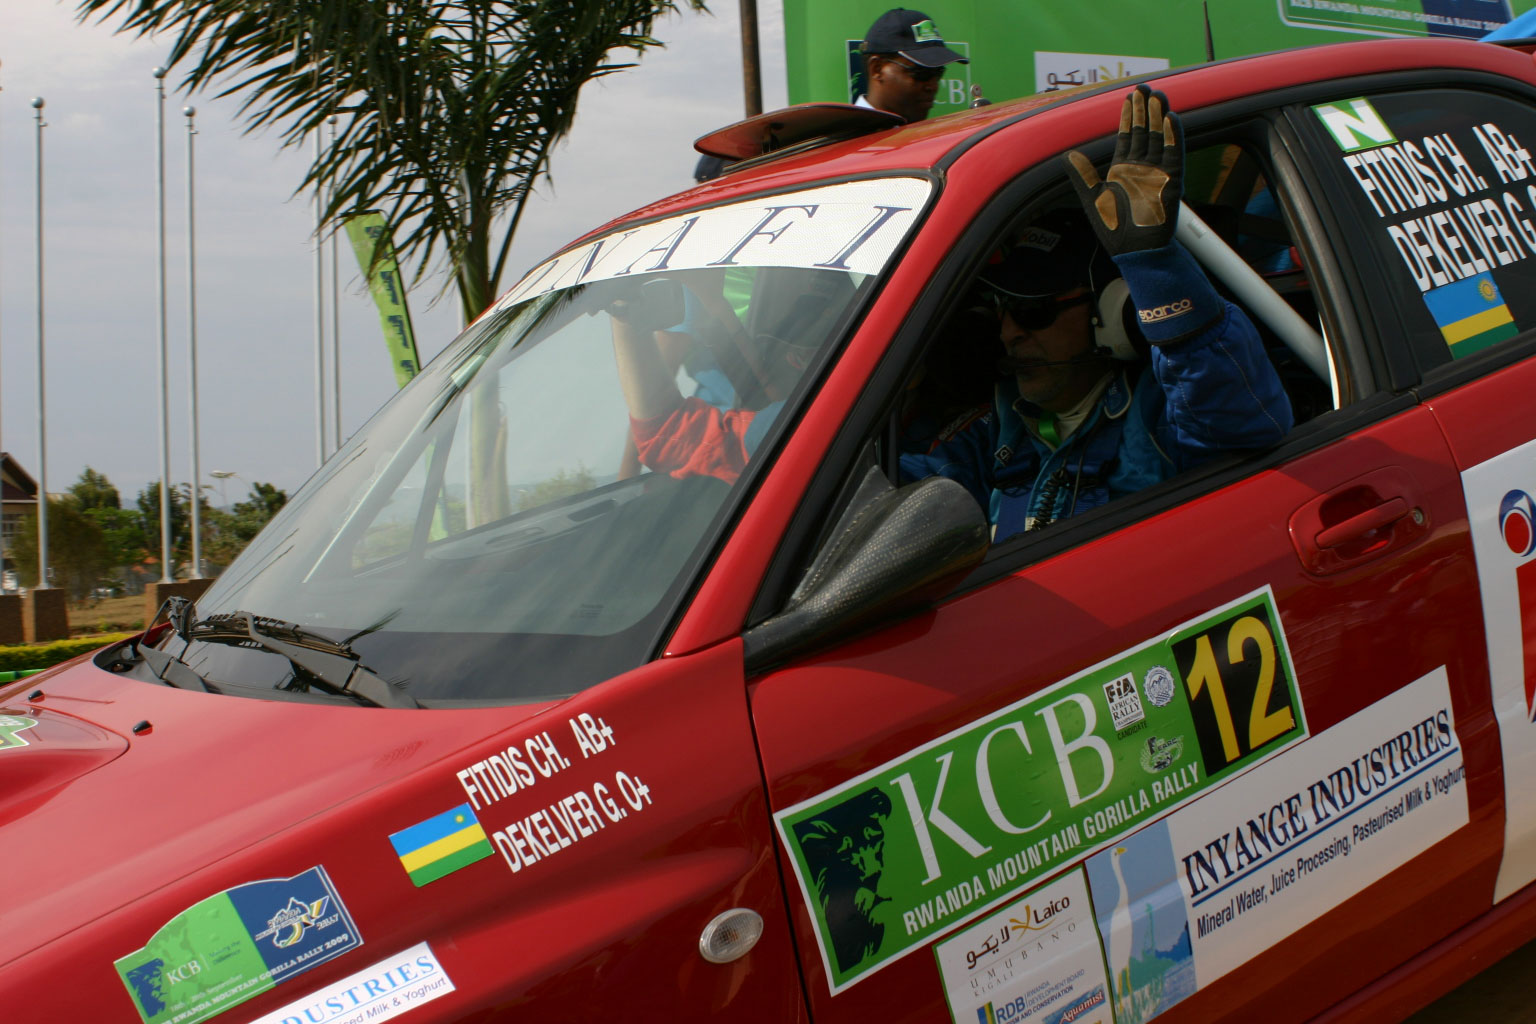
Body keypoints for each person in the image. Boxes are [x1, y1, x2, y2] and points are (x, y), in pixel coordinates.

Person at [900, 85, 1293, 542]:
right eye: (1002, 310)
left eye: (1033, 310)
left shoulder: (1160, 416)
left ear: (1112, 314)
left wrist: (1154, 267)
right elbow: (899, 496)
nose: (1009, 333)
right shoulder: (994, 428)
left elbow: (1243, 423)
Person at [856, 8, 968, 123]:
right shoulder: (845, 137)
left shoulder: (932, 138)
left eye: (938, 73)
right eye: (921, 73)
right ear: (877, 69)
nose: (933, 86)